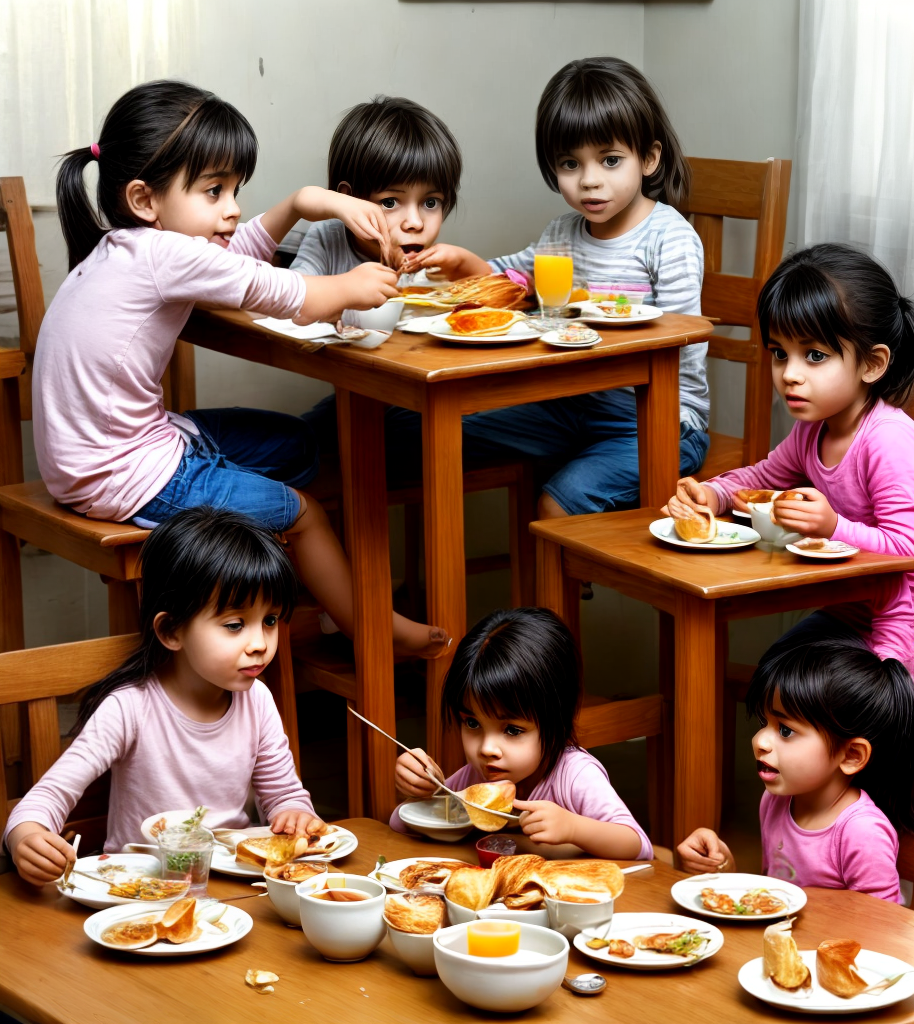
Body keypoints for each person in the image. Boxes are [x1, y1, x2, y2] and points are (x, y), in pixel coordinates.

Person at [34, 79, 445, 658]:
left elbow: (236, 256)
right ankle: (372, 626)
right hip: (122, 475)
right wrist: (350, 285)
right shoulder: (162, 254)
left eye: (234, 189)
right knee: (302, 512)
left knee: (299, 443)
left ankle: (302, 565)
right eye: (213, 191)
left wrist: (305, 201)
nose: (233, 207)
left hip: (123, 449)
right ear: (145, 199)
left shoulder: (128, 245)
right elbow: (273, 289)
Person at [664, 243, 914, 710]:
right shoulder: (813, 431)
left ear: (872, 364)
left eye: (814, 356)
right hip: (863, 618)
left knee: (828, 707)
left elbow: (905, 551)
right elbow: (762, 476)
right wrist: (713, 494)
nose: (790, 375)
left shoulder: (888, 441)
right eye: (780, 354)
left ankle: (859, 787)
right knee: (776, 677)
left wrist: (832, 527)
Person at [398, 56, 708, 518]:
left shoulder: (670, 239)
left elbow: (682, 342)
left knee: (557, 502)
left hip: (657, 420)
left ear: (649, 158)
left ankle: (559, 582)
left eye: (610, 160)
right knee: (422, 430)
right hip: (570, 409)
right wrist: (463, 264)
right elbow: (509, 281)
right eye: (570, 163)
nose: (589, 180)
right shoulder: (562, 234)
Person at [4, 507, 327, 885]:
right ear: (172, 630)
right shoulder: (130, 707)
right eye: (235, 625)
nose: (259, 644)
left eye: (270, 620)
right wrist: (25, 837)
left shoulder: (257, 700)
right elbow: (46, 799)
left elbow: (284, 796)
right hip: (136, 889)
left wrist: (295, 814)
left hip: (230, 884)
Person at [390, 607, 653, 860]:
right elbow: (401, 825)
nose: (487, 748)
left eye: (512, 730)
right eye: (472, 723)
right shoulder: (478, 779)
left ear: (557, 720)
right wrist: (421, 792)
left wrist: (574, 828)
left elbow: (638, 845)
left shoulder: (574, 775)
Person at [678, 638, 914, 903]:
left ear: (852, 755)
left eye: (785, 730)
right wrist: (721, 867)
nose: (760, 741)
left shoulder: (862, 834)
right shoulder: (776, 801)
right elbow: (772, 898)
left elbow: (883, 928)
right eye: (764, 722)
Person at [287, 95, 463, 457]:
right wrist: (346, 291)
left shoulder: (431, 266)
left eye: (430, 202)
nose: (415, 221)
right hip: (358, 398)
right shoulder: (327, 241)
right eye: (390, 202)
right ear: (348, 200)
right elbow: (292, 303)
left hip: (422, 404)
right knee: (296, 442)